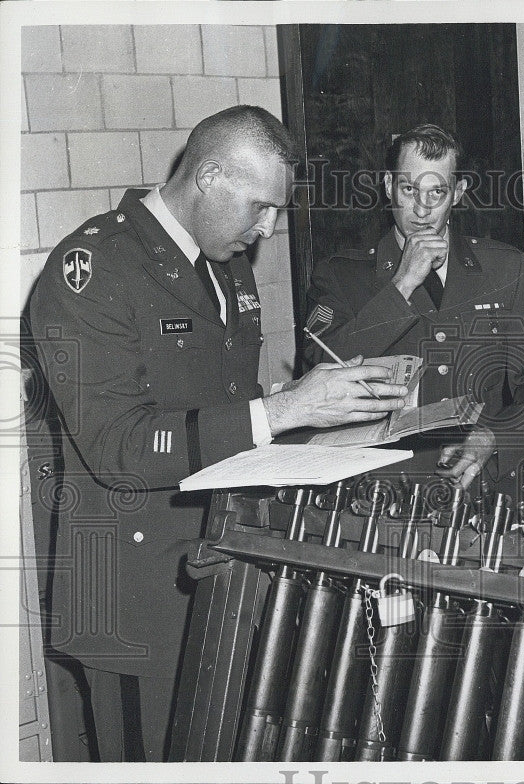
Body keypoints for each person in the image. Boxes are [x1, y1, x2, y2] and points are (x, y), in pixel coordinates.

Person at [28, 105, 409, 761]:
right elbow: (118, 446)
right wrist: (283, 413)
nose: (267, 230)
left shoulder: (221, 265)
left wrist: (316, 407)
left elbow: (220, 408)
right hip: (133, 604)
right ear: (208, 176)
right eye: (260, 207)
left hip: (220, 577)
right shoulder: (93, 268)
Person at [304, 123, 524, 493]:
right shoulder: (341, 275)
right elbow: (319, 368)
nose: (422, 209)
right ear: (387, 186)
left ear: (458, 193)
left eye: (437, 192)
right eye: (409, 189)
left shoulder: (505, 269)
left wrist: (494, 439)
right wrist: (401, 285)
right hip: (379, 494)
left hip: (479, 487)